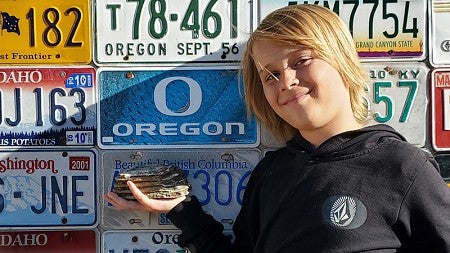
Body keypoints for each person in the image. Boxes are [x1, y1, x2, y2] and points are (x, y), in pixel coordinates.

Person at [104, 4, 450, 252]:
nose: (285, 80)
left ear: (343, 61)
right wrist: (180, 211)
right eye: (269, 74)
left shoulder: (403, 167)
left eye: (301, 61)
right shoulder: (271, 173)